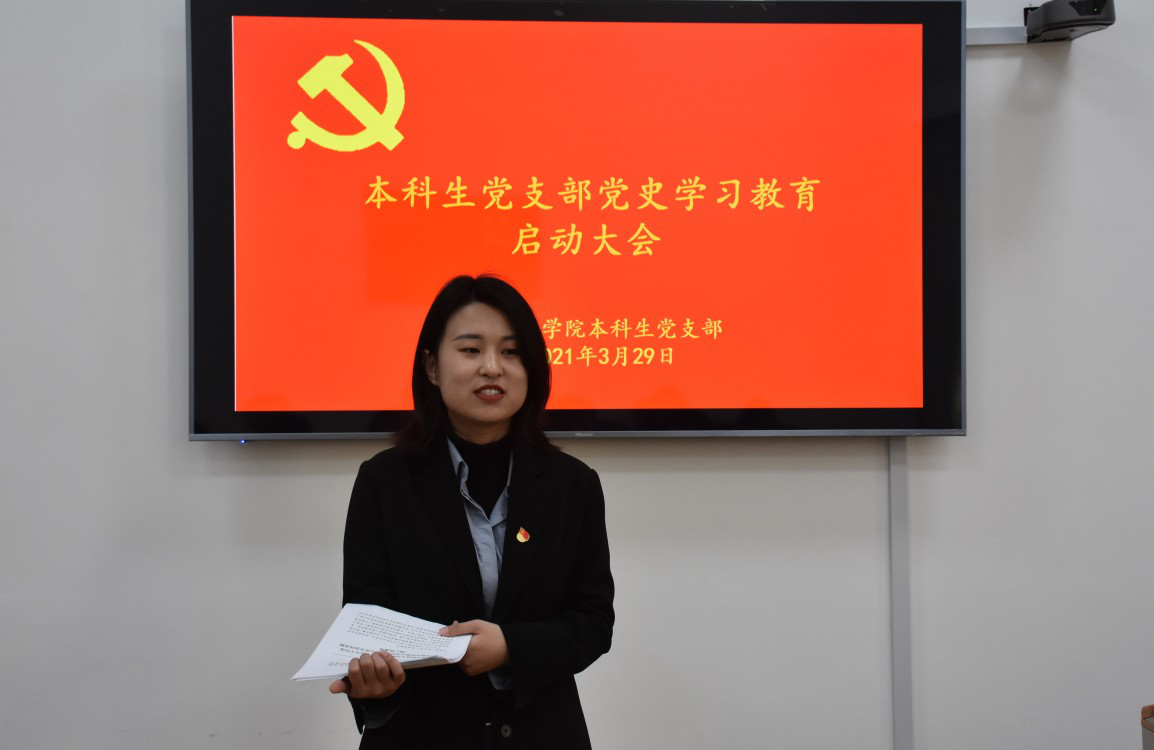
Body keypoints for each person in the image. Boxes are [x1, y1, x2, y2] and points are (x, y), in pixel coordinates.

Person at [330, 275, 614, 748]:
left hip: (541, 734)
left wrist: (510, 647)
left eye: (511, 351)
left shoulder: (573, 485)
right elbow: (367, 621)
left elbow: (592, 621)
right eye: (470, 350)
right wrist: (373, 683)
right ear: (432, 367)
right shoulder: (384, 482)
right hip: (421, 734)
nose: (492, 367)